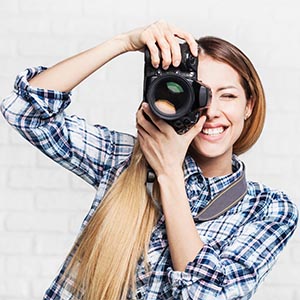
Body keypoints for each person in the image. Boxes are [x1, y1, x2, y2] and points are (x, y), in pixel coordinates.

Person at [1, 20, 298, 300]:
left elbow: (208, 295)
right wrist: (123, 42)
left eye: (228, 96)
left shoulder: (268, 209)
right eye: (200, 94)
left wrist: (169, 172)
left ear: (249, 106)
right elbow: (24, 110)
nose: (211, 111)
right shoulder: (124, 161)